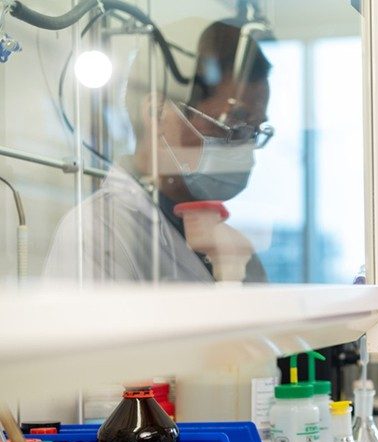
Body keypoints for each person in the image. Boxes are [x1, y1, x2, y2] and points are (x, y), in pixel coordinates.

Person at [43, 16, 273, 283]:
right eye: (233, 125)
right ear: (158, 114)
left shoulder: (237, 254)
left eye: (254, 131)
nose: (245, 148)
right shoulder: (97, 233)